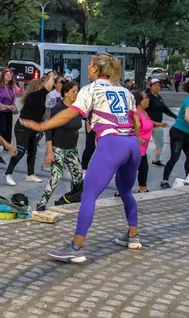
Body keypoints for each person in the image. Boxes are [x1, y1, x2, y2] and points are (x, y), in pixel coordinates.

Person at [20, 53, 143, 262]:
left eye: (90, 65)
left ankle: (76, 248)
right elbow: (137, 121)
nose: (88, 68)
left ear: (95, 69)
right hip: (131, 144)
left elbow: (70, 113)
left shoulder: (91, 89)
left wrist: (41, 126)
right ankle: (133, 236)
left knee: (88, 195)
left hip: (111, 143)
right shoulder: (124, 91)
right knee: (125, 192)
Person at [37, 80, 83, 210]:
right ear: (66, 93)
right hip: (58, 148)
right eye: (73, 91)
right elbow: (49, 130)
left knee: (78, 176)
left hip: (72, 148)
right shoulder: (58, 108)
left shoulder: (77, 108)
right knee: (57, 177)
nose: (76, 93)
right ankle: (42, 203)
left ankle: (72, 199)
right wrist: (49, 151)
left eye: (77, 91)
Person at [4, 73, 54, 186]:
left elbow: (43, 112)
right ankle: (8, 174)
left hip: (33, 128)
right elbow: (48, 86)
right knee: (21, 151)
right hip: (23, 127)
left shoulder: (39, 98)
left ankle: (30, 175)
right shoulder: (33, 96)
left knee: (33, 151)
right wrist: (51, 75)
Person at [160, 79, 189, 189]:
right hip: (177, 132)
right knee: (174, 157)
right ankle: (164, 181)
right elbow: (187, 116)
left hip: (185, 133)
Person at [131, 91, 164, 194]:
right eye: (146, 98)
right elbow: (131, 128)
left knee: (143, 168)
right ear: (140, 101)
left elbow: (149, 122)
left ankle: (142, 189)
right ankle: (127, 190)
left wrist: (159, 124)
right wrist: (136, 138)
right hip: (135, 148)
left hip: (142, 149)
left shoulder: (144, 113)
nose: (148, 99)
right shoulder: (135, 114)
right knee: (132, 170)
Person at [144, 79, 176, 166]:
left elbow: (165, 109)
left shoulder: (159, 98)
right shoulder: (147, 97)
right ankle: (139, 159)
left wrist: (175, 116)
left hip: (158, 125)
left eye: (159, 85)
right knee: (143, 143)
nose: (157, 87)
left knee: (160, 143)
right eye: (155, 85)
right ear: (150, 87)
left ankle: (156, 160)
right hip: (147, 124)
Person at [0, 69, 21, 164]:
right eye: (7, 74)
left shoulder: (12, 86)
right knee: (2, 129)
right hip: (0, 110)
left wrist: (20, 84)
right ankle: (0, 144)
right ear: (3, 75)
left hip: (9, 110)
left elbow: (19, 92)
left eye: (11, 75)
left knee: (9, 129)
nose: (9, 76)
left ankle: (6, 146)